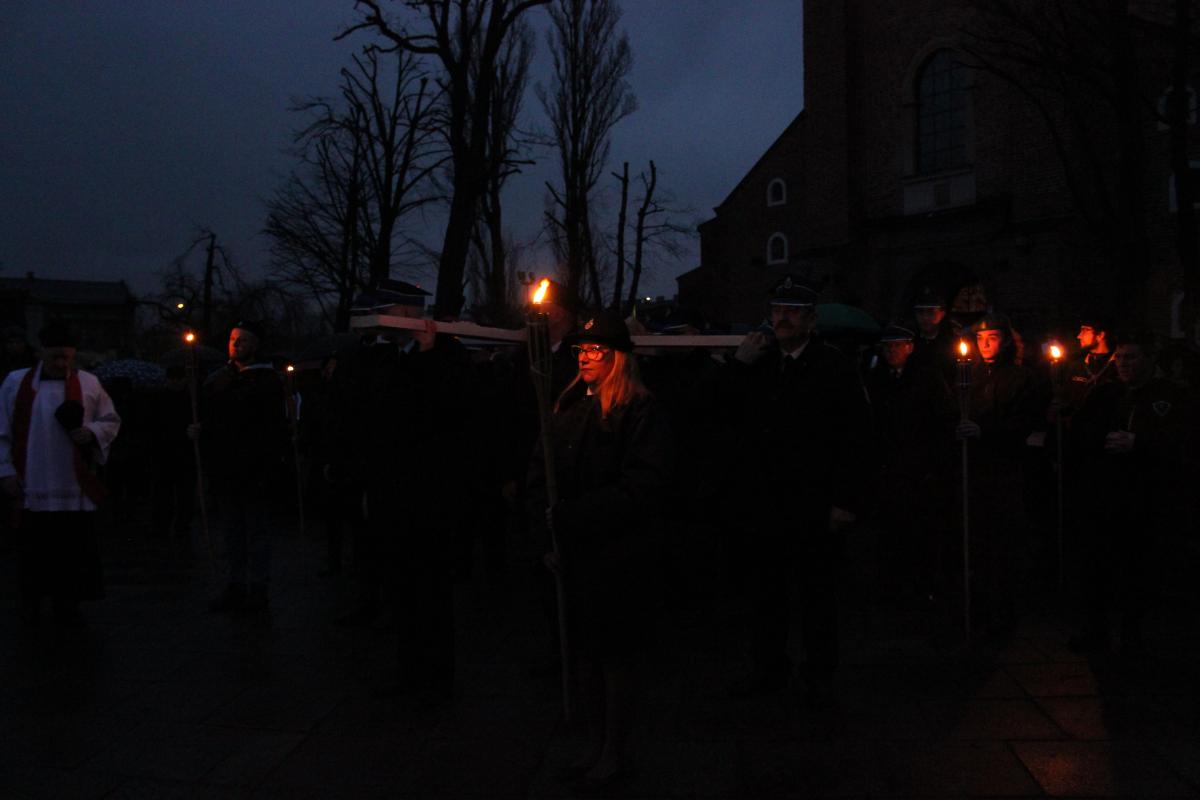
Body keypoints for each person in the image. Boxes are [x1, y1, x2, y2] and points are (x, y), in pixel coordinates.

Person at [527, 312, 672, 790]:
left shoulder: (638, 410)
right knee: (584, 655)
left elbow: (642, 485)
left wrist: (575, 516)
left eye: (596, 350)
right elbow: (543, 476)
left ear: (618, 357)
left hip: (617, 556)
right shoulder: (567, 405)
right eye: (581, 350)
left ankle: (614, 749)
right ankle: (592, 742)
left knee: (615, 658)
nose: (586, 358)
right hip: (575, 553)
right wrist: (548, 538)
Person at [722, 276, 871, 703]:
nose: (782, 318)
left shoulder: (833, 366)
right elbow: (724, 412)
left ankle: (819, 672)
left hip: (812, 501)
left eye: (791, 311)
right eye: (777, 310)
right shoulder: (760, 362)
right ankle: (768, 668)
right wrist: (738, 365)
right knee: (766, 594)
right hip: (766, 502)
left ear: (810, 319)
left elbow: (855, 437)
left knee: (816, 594)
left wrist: (845, 500)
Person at [1068, 332, 1191, 655]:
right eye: (1120, 357)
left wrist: (1140, 443)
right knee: (1097, 564)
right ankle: (1096, 629)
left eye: (1131, 357)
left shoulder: (1170, 396)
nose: (1123, 364)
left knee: (1136, 566)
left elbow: (1181, 440)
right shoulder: (1106, 393)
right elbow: (1081, 431)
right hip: (1105, 493)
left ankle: (1131, 632)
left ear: (1149, 359)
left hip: (1144, 495)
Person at [0, 320, 121, 627]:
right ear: (41, 353)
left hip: (72, 485)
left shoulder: (89, 383)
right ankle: (32, 601)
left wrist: (91, 432)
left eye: (66, 357)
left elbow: (110, 420)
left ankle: (68, 603)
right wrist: (6, 470)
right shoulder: (16, 383)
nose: (61, 364)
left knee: (71, 551)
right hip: (32, 482)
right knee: (33, 549)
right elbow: (2, 430)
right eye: (54, 357)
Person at [191, 321, 289, 614]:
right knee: (231, 532)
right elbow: (212, 417)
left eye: (242, 340)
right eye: (233, 339)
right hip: (226, 469)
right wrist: (200, 430)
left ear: (254, 345)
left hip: (255, 469)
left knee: (255, 532)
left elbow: (270, 427)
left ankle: (258, 589)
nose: (235, 345)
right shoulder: (218, 379)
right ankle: (234, 585)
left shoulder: (267, 381)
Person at [955, 313, 1043, 635]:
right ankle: (976, 608)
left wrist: (985, 431)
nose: (985, 345)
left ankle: (1004, 612)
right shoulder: (971, 374)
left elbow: (1024, 422)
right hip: (974, 471)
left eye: (992, 338)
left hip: (1005, 470)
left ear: (1005, 340)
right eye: (980, 339)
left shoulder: (1021, 378)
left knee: (1004, 544)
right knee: (975, 542)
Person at [864, 323, 956, 601]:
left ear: (910, 348)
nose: (891, 351)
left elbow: (941, 420)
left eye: (897, 345)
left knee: (920, 528)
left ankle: (922, 584)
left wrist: (933, 463)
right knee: (891, 529)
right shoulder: (876, 379)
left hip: (918, 466)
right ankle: (893, 584)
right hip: (888, 465)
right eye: (887, 347)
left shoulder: (926, 378)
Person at [908, 286, 956, 381]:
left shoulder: (952, 344)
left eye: (931, 312)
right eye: (920, 312)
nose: (925, 317)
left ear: (942, 314)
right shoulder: (909, 344)